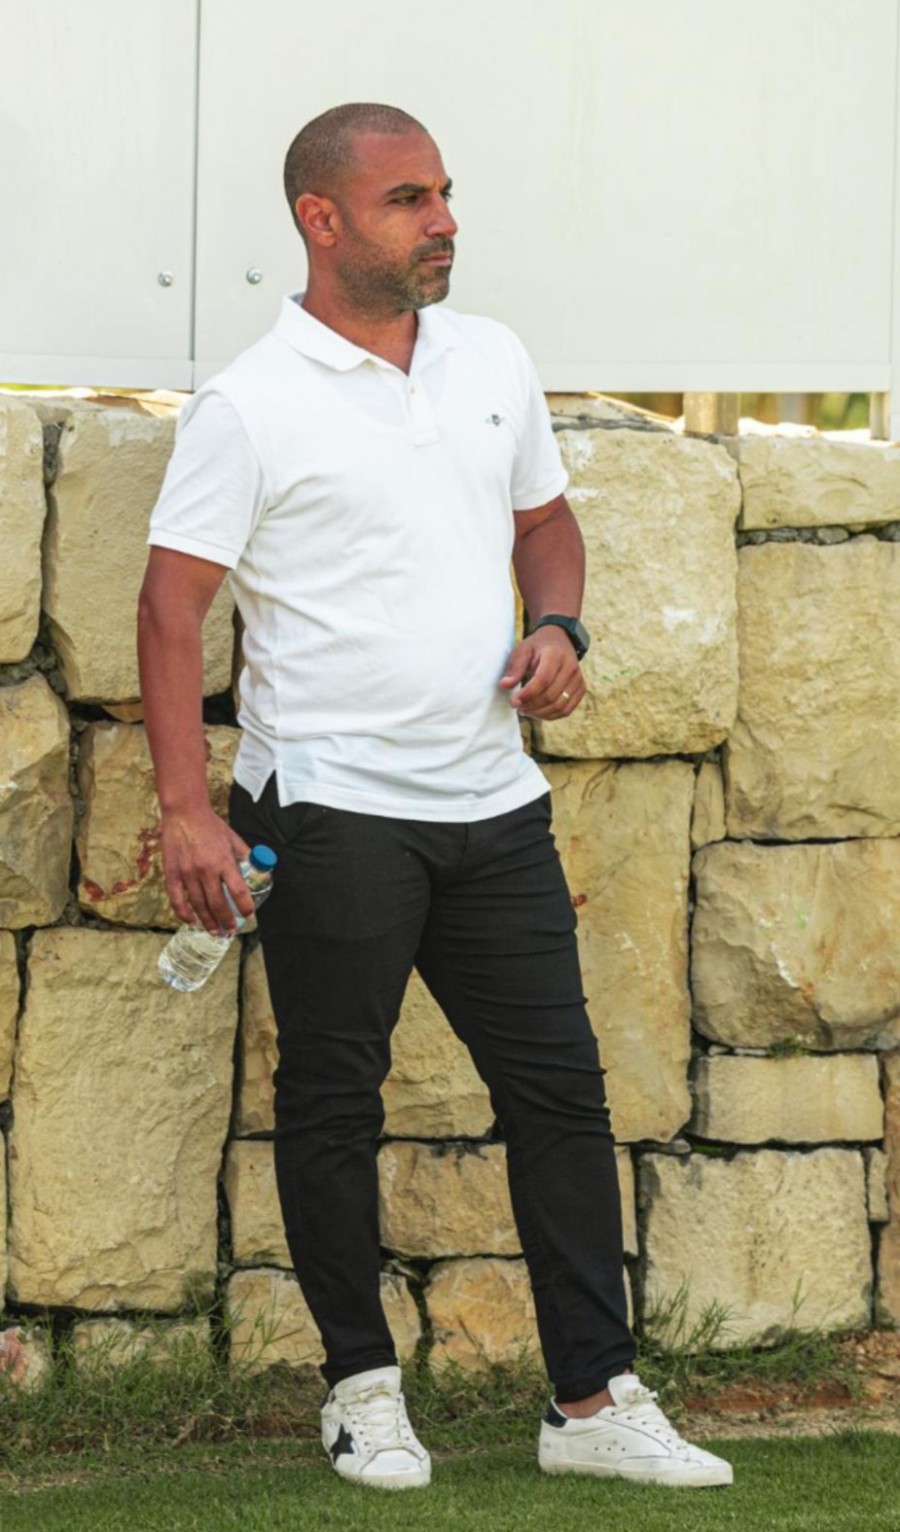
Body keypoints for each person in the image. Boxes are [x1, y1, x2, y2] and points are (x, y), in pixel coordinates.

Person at [138, 102, 732, 1493]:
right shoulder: (251, 401)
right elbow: (171, 608)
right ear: (322, 219)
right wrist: (186, 809)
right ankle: (362, 1392)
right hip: (329, 807)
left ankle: (590, 1402)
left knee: (561, 1096)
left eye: (445, 194)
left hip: (492, 801)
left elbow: (546, 519)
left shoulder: (491, 358)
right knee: (333, 1103)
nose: (445, 220)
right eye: (408, 199)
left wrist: (560, 626)